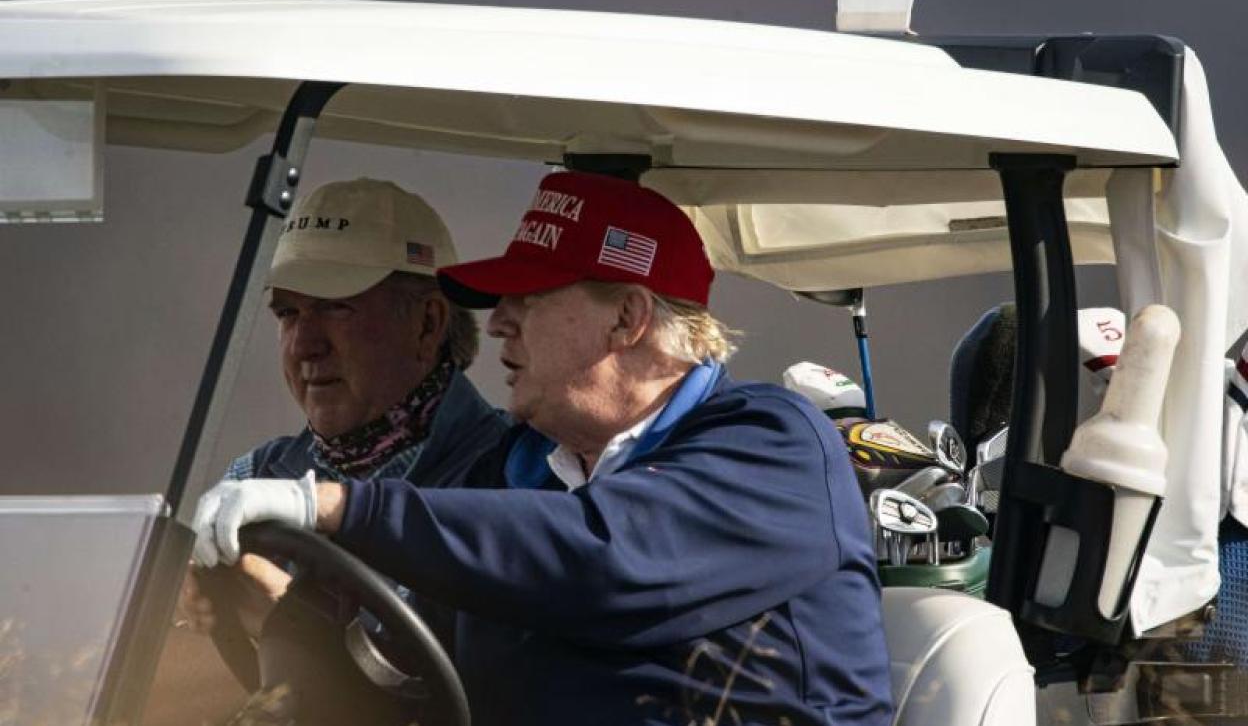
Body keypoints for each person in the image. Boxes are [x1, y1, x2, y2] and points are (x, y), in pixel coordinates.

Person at [192, 170, 894, 726]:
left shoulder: (774, 443)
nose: (499, 323)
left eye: (528, 296)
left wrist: (337, 507)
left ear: (626, 317)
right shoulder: (520, 474)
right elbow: (389, 667)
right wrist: (278, 629)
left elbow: (604, 557)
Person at [180, 177, 508, 643]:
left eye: (335, 307)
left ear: (427, 323)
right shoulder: (254, 476)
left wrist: (294, 624)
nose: (304, 345)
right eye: (287, 313)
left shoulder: (515, 477)